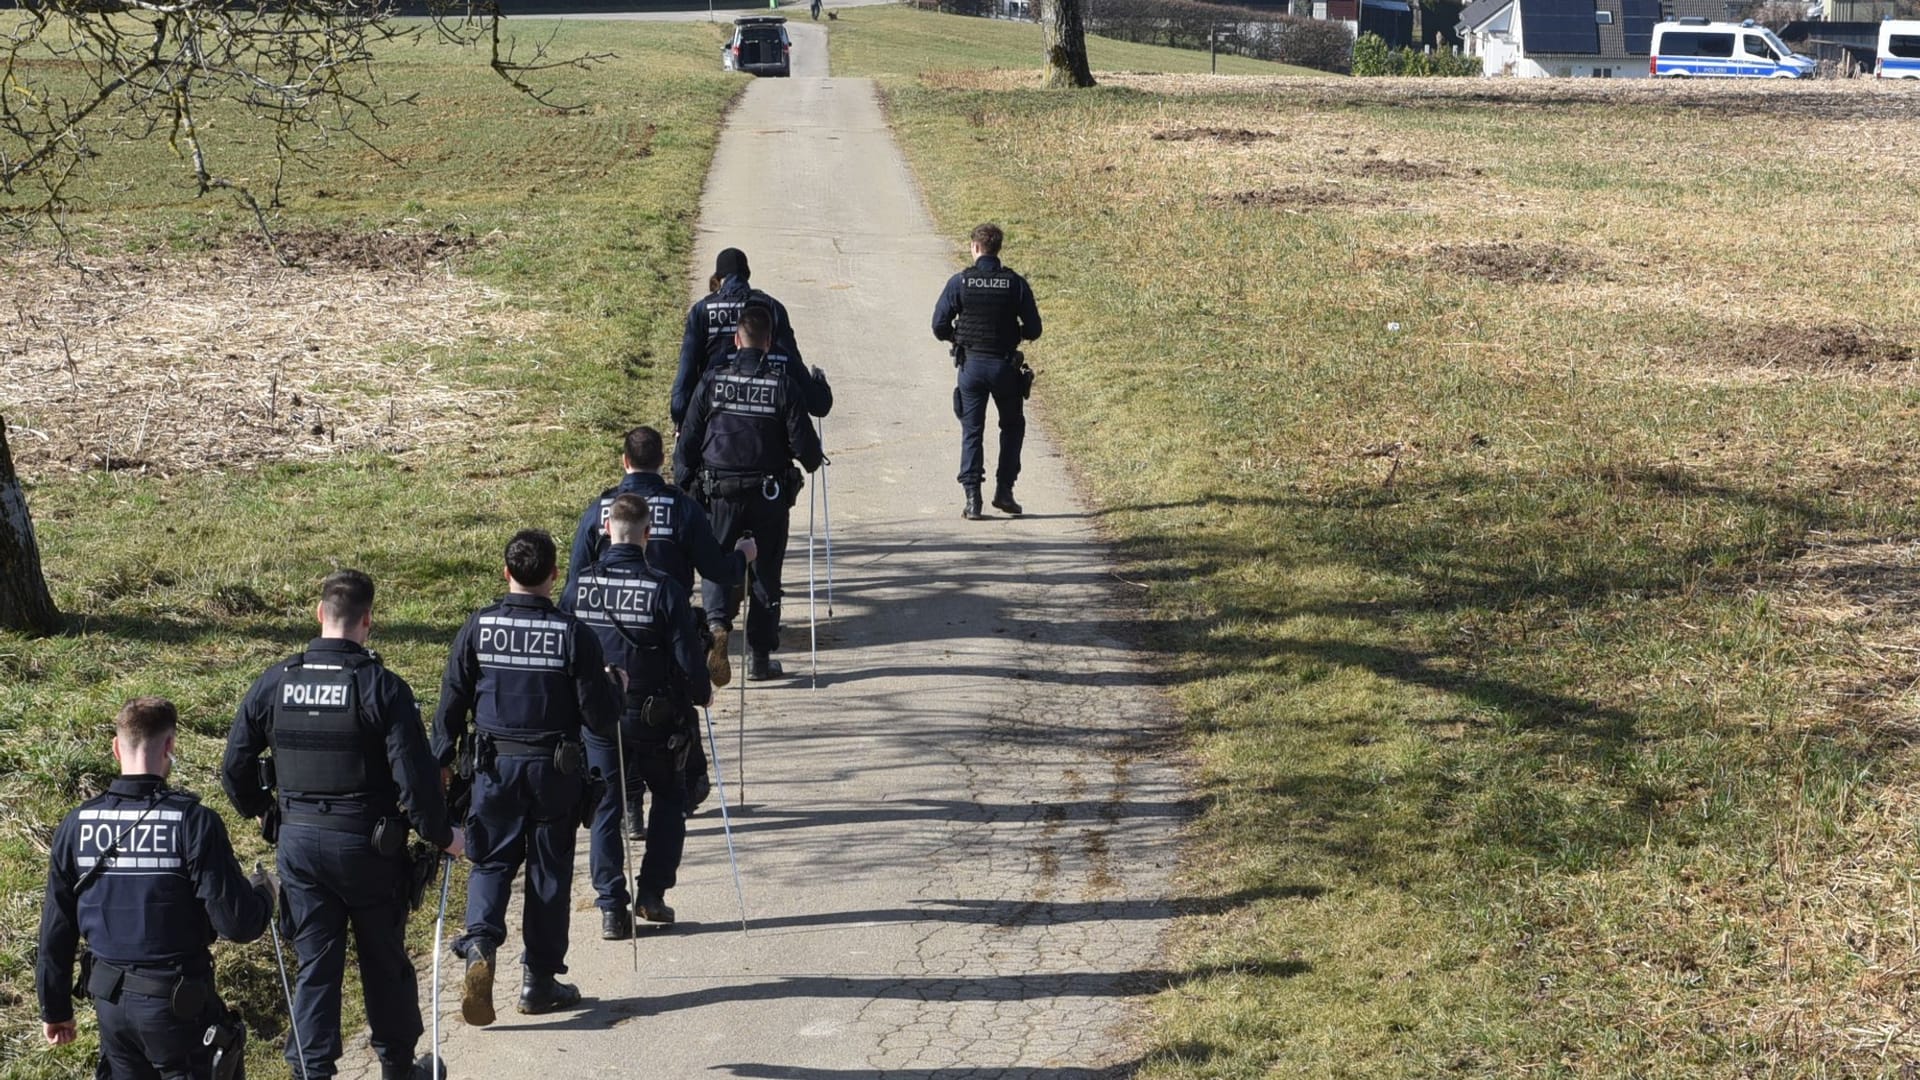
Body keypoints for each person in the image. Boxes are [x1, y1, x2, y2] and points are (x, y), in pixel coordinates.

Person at [223, 570, 461, 1080]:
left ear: (319, 615)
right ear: (368, 621)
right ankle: (398, 1068)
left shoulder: (275, 683)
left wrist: (265, 813)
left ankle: (313, 1072)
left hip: (300, 846)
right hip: (370, 849)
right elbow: (417, 784)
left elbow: (233, 769)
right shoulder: (382, 688)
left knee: (316, 966)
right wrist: (445, 837)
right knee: (385, 962)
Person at [431, 529, 622, 1026]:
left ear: (506, 572)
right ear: (555, 575)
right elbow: (599, 718)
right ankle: (538, 981)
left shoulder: (479, 627)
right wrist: (613, 686)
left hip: (493, 769)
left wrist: (442, 761)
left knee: (491, 862)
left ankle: (480, 946)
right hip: (553, 772)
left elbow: (451, 700)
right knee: (548, 873)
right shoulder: (572, 633)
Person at [39, 697, 274, 1080]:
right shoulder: (192, 822)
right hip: (178, 1009)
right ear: (170, 746)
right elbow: (238, 924)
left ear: (116, 748)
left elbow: (56, 924)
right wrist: (266, 894)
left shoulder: (77, 825)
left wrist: (55, 1008)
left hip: (110, 1005)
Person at [565, 425, 756, 824]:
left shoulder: (599, 510)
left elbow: (575, 582)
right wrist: (743, 557)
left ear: (624, 461)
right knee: (668, 712)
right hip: (666, 626)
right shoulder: (681, 507)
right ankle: (682, 790)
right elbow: (717, 569)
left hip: (607, 636)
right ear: (661, 461)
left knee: (622, 715)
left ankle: (632, 806)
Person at [564, 494, 713, 938]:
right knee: (670, 798)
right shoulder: (665, 588)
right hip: (655, 719)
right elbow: (688, 659)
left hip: (598, 721)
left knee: (607, 806)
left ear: (606, 528)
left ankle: (611, 907)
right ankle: (652, 894)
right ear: (647, 535)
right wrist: (701, 693)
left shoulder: (578, 586)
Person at [676, 304, 825, 681]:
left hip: (718, 492)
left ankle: (716, 626)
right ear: (769, 342)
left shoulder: (711, 381)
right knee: (765, 571)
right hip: (768, 496)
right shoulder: (782, 385)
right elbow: (806, 452)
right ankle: (759, 659)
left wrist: (685, 487)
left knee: (715, 561)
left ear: (737, 340)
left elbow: (688, 440)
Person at [931, 222, 1043, 521]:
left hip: (972, 367)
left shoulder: (961, 282)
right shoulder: (1015, 283)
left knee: (972, 431)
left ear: (975, 248)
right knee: (1012, 427)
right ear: (998, 249)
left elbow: (938, 325)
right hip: (1005, 367)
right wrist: (1011, 332)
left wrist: (958, 337)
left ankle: (972, 500)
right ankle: (1004, 491)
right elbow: (1034, 329)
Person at [670, 248, 805, 431]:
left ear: (718, 278)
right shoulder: (771, 307)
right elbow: (790, 361)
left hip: (714, 409)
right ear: (746, 276)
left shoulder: (702, 310)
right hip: (765, 412)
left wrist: (682, 413)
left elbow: (686, 370)